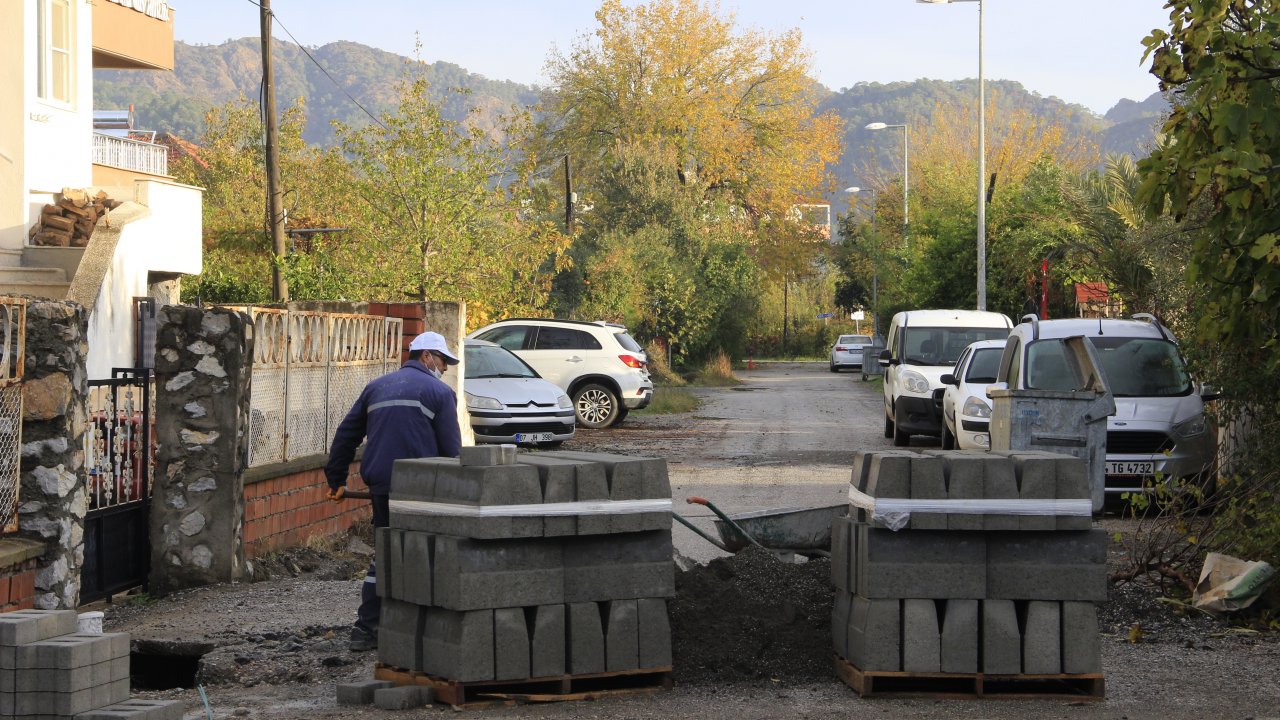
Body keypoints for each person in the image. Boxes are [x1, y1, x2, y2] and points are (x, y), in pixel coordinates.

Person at [324, 330, 462, 652]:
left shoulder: (376, 387)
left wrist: (336, 480)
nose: (444, 368)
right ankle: (421, 628)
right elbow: (452, 453)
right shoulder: (440, 393)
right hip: (422, 486)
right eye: (443, 361)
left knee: (386, 552)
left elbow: (346, 434)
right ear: (426, 356)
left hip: (382, 484)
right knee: (425, 551)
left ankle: (367, 629)